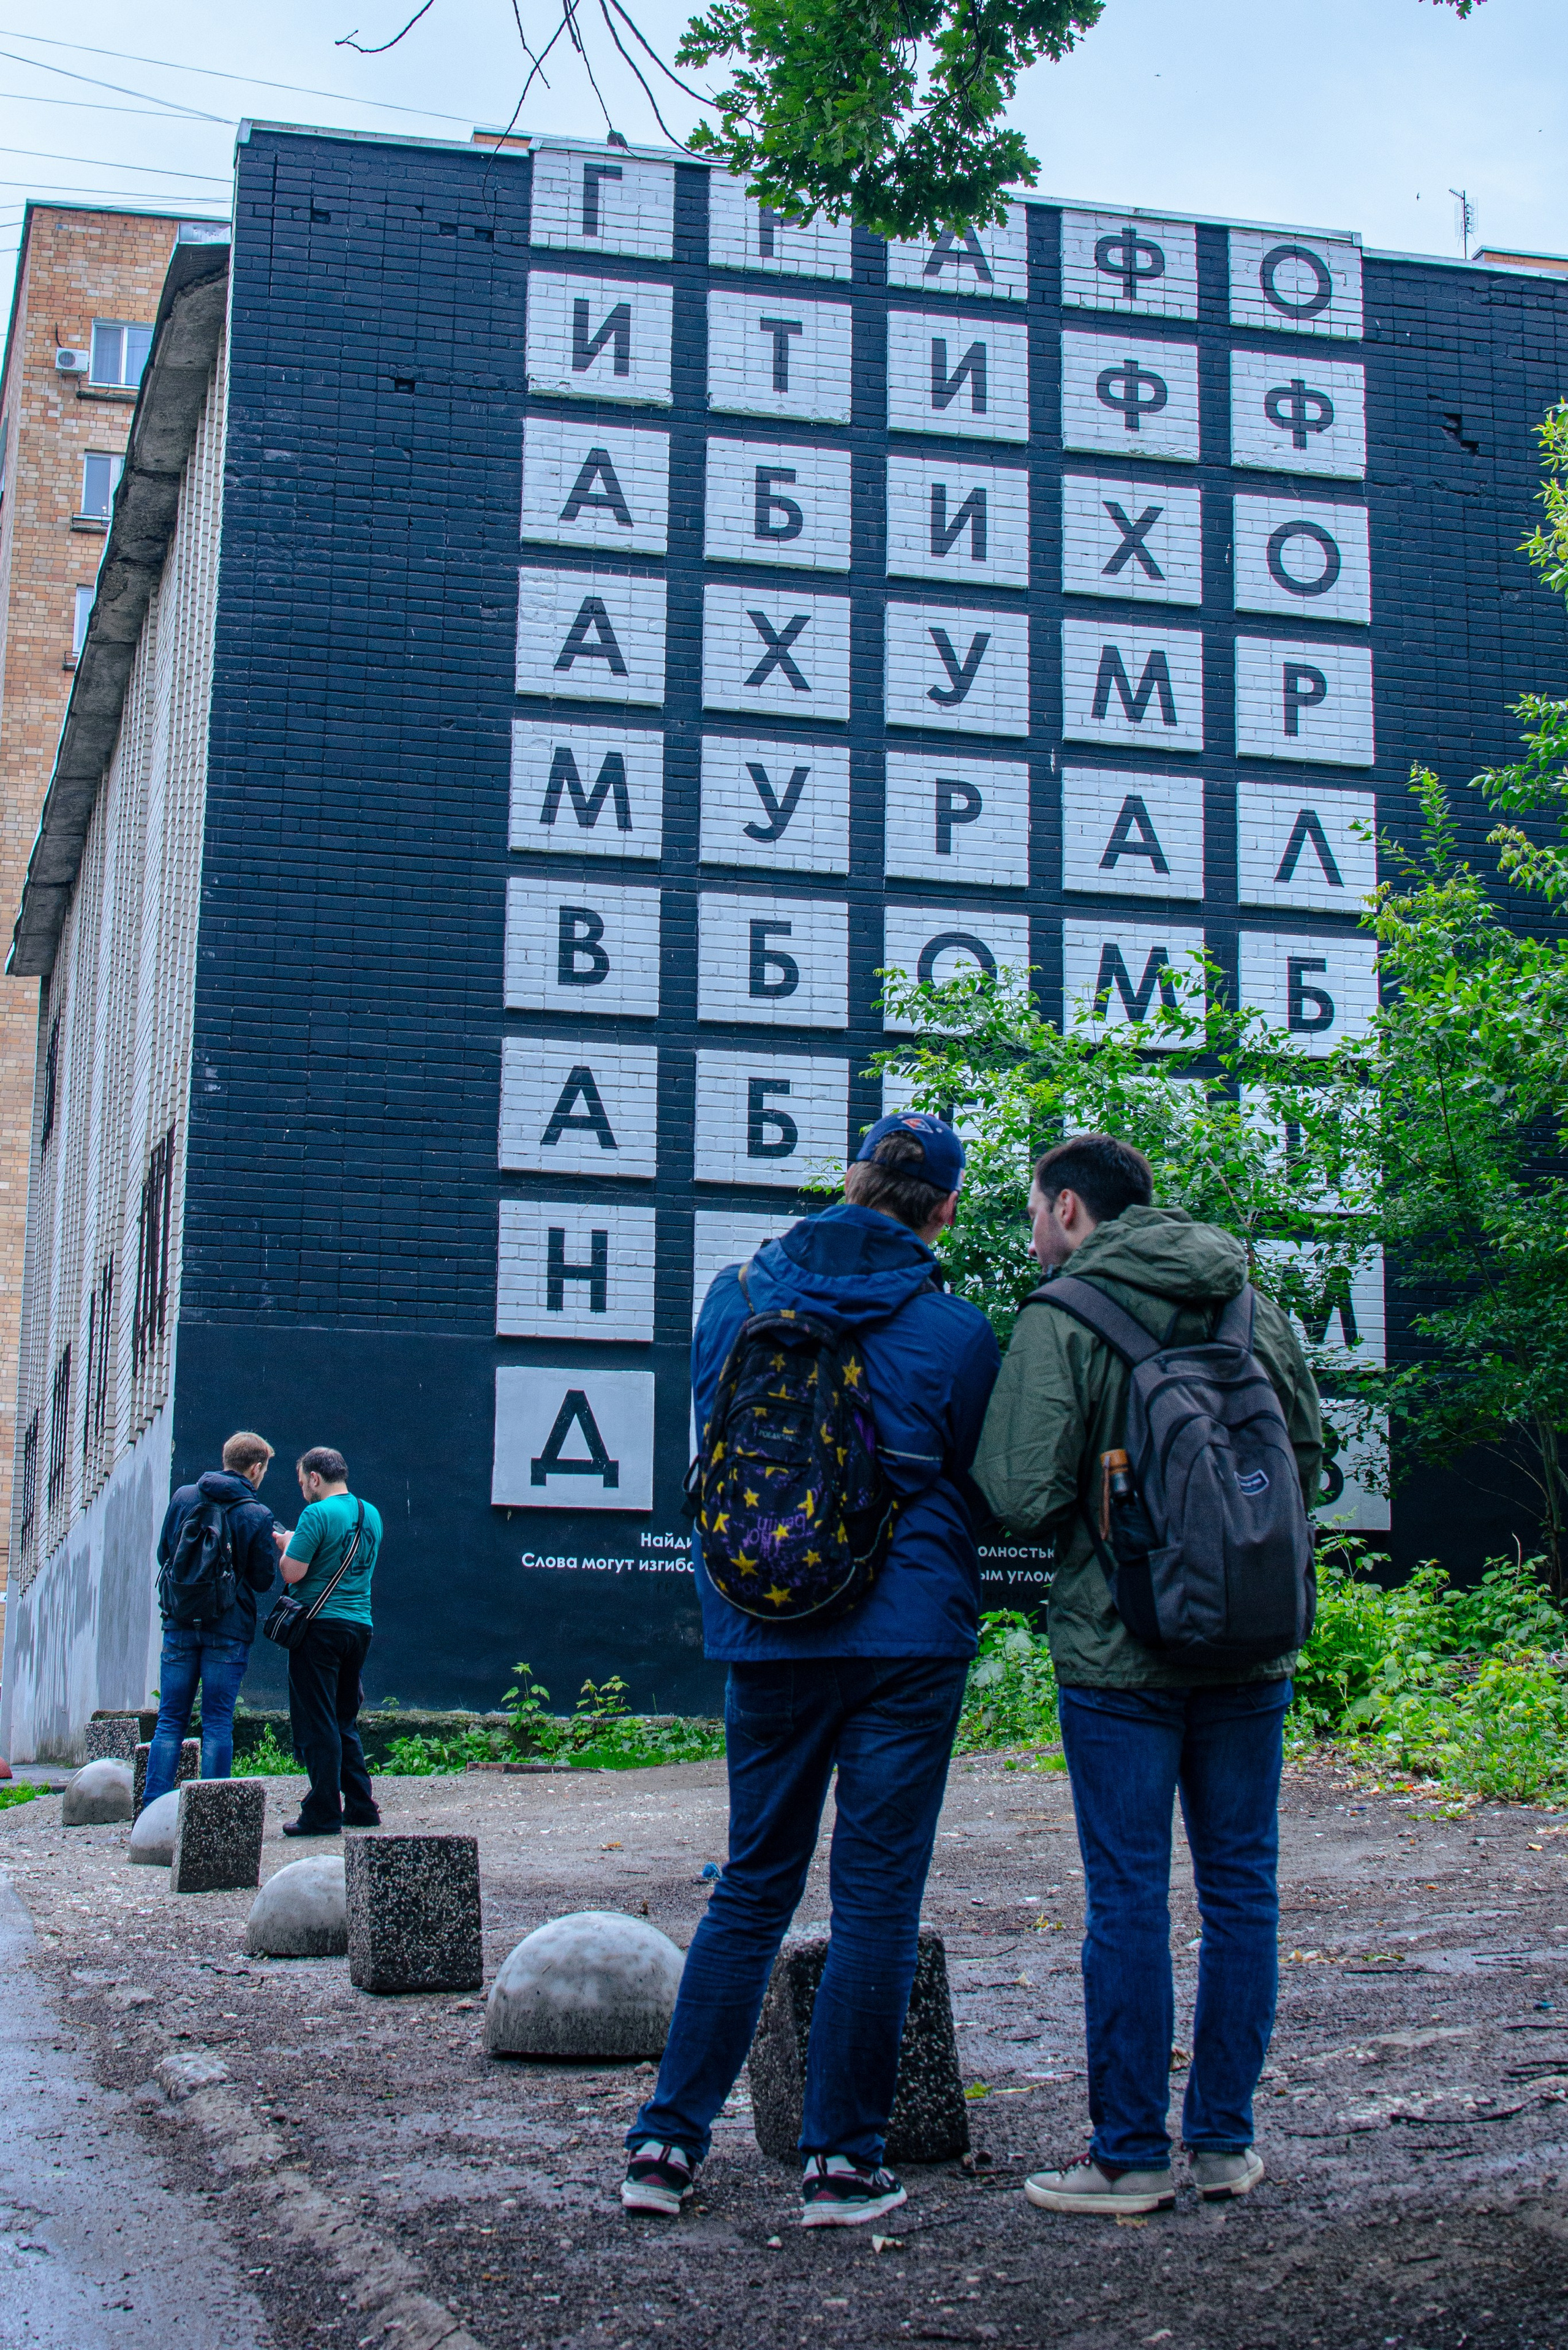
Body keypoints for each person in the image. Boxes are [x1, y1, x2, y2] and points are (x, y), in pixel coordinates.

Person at [622, 1112, 1000, 2228]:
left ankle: (663, 2146)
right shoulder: (957, 1330)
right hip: (909, 1637)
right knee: (875, 1901)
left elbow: (714, 1437)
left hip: (767, 1621)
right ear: (942, 1210)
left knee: (750, 1885)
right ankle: (841, 2162)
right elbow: (981, 1476)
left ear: (845, 1181)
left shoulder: (734, 1296)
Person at [971, 1134, 1322, 2217]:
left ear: (1071, 1209)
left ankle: (1127, 2155)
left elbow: (1018, 1493)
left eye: (1037, 1212)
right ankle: (1222, 2140)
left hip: (1120, 1650)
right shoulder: (1246, 1303)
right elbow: (1304, 1459)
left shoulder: (1062, 1317)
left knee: (1129, 1895)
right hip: (1250, 1642)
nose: (1035, 1233)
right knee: (1242, 1889)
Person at [145, 1431, 283, 1807]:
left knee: (170, 1721)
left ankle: (150, 1812)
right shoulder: (257, 1514)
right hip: (228, 1629)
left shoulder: (184, 1497)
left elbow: (163, 1555)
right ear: (256, 1468)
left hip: (179, 1621)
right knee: (218, 1723)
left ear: (225, 1460)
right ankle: (211, 1816)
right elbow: (261, 1580)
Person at [276, 1446, 383, 1837]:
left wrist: (285, 1545)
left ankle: (322, 1811)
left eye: (303, 1482)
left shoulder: (316, 1514)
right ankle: (361, 1805)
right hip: (360, 1627)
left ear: (315, 1478)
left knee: (317, 1720)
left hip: (319, 1627)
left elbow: (293, 1572)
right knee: (342, 1718)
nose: (303, 1488)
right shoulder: (370, 1513)